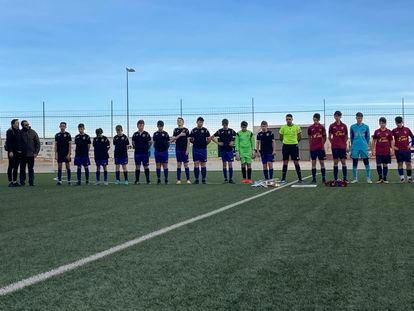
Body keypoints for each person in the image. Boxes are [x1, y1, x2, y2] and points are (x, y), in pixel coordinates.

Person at [211, 119, 237, 183]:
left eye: (226, 124)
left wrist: (233, 142)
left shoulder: (231, 131)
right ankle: (225, 179)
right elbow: (212, 137)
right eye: (224, 124)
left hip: (230, 150)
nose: (225, 125)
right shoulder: (220, 131)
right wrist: (218, 143)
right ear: (222, 124)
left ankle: (230, 179)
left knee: (230, 164)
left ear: (228, 124)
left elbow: (238, 137)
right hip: (223, 150)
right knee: (224, 164)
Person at [279, 114, 302, 183]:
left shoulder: (297, 127)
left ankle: (300, 178)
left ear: (292, 119)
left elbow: (299, 136)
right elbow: (280, 137)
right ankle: (283, 178)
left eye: (289, 119)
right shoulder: (283, 127)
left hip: (294, 146)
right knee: (285, 162)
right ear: (285, 120)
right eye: (287, 119)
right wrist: (285, 142)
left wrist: (295, 142)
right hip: (286, 146)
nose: (288, 120)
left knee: (296, 162)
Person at [350, 112, 372, 183]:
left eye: (360, 118)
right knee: (355, 162)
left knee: (366, 161)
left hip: (363, 146)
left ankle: (368, 178)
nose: (359, 119)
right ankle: (355, 178)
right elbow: (351, 137)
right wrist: (353, 145)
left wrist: (365, 144)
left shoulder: (366, 127)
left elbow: (368, 137)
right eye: (358, 118)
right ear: (356, 118)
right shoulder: (352, 127)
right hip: (355, 147)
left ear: (362, 118)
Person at [188, 117, 211, 184]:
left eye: (201, 122)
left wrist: (206, 143)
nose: (200, 123)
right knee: (196, 164)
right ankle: (196, 179)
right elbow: (190, 138)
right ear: (197, 122)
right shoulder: (193, 130)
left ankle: (203, 179)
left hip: (203, 149)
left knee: (203, 164)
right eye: (199, 122)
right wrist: (193, 142)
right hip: (195, 149)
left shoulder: (205, 130)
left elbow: (209, 138)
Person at [392, 116, 414, 183]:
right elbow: (388, 138)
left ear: (402, 122)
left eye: (400, 123)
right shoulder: (394, 130)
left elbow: (413, 137)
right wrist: (393, 146)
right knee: (400, 164)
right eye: (397, 123)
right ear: (395, 123)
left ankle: (409, 178)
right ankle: (402, 178)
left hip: (407, 150)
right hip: (398, 151)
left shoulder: (407, 129)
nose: (399, 124)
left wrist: (410, 145)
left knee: (408, 164)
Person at [372, 117, 394, 184]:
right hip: (378, 151)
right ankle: (380, 177)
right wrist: (373, 149)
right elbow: (374, 141)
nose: (382, 124)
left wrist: (392, 149)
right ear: (379, 123)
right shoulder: (376, 131)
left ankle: (385, 178)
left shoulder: (389, 131)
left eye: (383, 123)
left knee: (385, 165)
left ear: (385, 123)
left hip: (386, 151)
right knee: (378, 164)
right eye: (381, 123)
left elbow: (391, 141)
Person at [329, 111, 349, 182]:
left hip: (342, 147)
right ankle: (335, 178)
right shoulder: (331, 126)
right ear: (334, 117)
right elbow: (329, 136)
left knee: (343, 162)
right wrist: (333, 142)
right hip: (335, 147)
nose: (336, 117)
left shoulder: (344, 126)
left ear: (340, 116)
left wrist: (343, 143)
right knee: (335, 162)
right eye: (335, 116)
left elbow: (346, 136)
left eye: (338, 116)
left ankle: (345, 178)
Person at [19, 120, 40, 186]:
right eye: (26, 125)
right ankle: (22, 182)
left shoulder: (33, 132)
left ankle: (31, 182)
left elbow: (38, 143)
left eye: (28, 124)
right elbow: (17, 143)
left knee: (31, 169)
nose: (27, 126)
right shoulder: (19, 133)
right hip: (22, 155)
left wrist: (36, 152)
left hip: (31, 155)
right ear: (22, 126)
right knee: (22, 169)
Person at [171, 117, 191, 184]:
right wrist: (180, 135)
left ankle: (188, 179)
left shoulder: (186, 130)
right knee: (179, 164)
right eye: (178, 121)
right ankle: (178, 180)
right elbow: (172, 140)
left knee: (186, 165)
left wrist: (187, 149)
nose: (179, 122)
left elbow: (188, 140)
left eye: (180, 121)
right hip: (178, 149)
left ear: (183, 122)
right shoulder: (175, 130)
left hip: (184, 150)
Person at [308, 113, 327, 183]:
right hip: (313, 148)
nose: (315, 120)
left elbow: (325, 137)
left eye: (316, 119)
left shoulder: (322, 127)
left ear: (319, 119)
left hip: (320, 148)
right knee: (313, 163)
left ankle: (324, 178)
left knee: (322, 162)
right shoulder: (310, 128)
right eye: (314, 119)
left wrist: (322, 144)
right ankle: (314, 178)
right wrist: (310, 145)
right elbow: (309, 137)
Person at [132, 120, 152, 184]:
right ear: (137, 126)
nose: (141, 126)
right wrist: (137, 147)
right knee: (137, 166)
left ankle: (148, 180)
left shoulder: (146, 134)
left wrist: (147, 148)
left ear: (144, 126)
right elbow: (133, 143)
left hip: (145, 153)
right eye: (140, 125)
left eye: (142, 125)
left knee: (146, 166)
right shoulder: (135, 134)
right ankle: (137, 180)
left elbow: (150, 142)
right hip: (137, 153)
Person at [5, 119, 24, 187]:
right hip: (12, 152)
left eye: (18, 123)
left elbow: (20, 141)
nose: (18, 124)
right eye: (16, 123)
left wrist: (21, 150)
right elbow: (8, 142)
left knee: (16, 167)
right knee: (11, 166)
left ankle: (15, 181)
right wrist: (10, 151)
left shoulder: (19, 131)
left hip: (18, 152)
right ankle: (10, 182)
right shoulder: (10, 131)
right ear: (13, 124)